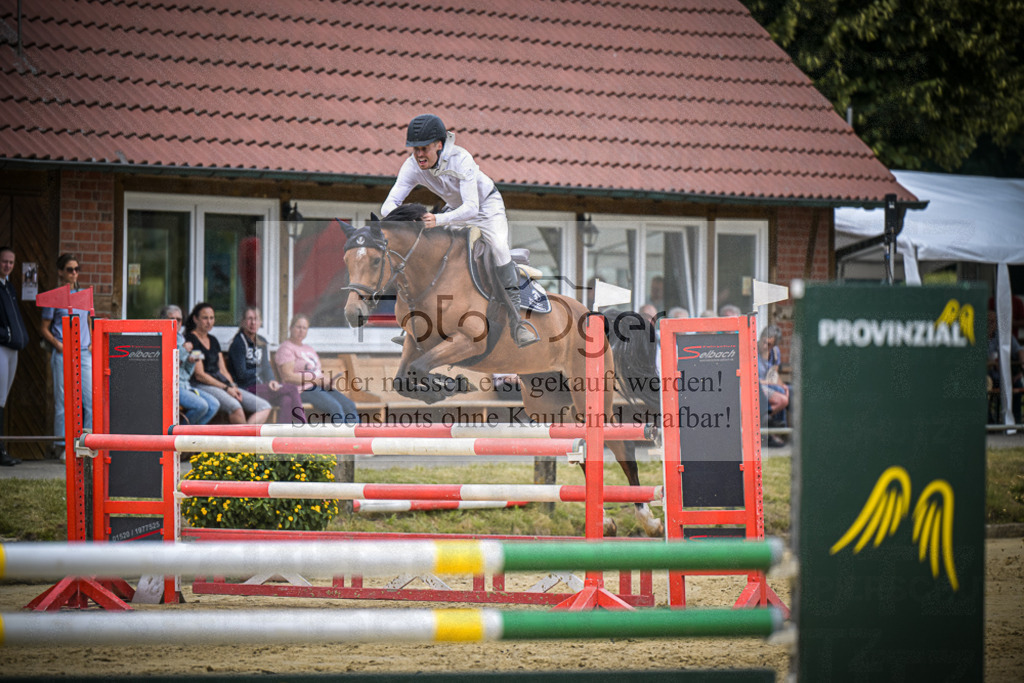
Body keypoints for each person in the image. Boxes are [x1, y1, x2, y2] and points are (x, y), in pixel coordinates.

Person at [380, 113, 538, 347]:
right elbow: (387, 206)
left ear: (439, 145)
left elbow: (472, 209)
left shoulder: (462, 159)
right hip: (455, 209)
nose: (419, 155)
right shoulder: (412, 166)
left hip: (486, 207)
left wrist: (439, 219)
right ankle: (416, 323)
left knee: (498, 248)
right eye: (415, 149)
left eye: (424, 149)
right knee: (430, 248)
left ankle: (518, 323)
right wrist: (406, 221)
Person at [39, 253, 92, 458]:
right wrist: (59, 346)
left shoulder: (85, 295)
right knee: (64, 401)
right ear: (61, 272)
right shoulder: (54, 296)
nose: (74, 273)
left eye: (77, 269)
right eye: (70, 269)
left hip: (85, 354)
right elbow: (44, 328)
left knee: (89, 399)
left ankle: (86, 443)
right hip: (63, 353)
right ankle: (63, 447)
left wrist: (91, 345)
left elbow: (88, 320)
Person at [183, 302, 271, 425]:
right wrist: (226, 388)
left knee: (264, 406)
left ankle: (248, 441)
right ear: (195, 319)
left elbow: (223, 370)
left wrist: (233, 386)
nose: (209, 322)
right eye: (205, 318)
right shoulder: (191, 340)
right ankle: (245, 443)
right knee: (236, 407)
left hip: (222, 384)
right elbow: (200, 375)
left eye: (212, 318)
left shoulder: (213, 340)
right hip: (202, 385)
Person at [228, 306, 306, 424]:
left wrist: (271, 380)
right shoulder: (238, 343)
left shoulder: (262, 342)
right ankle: (303, 427)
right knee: (292, 388)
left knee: (287, 400)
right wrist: (260, 371)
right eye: (249, 319)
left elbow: (266, 366)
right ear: (243, 321)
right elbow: (241, 374)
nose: (253, 323)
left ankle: (281, 438)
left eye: (256, 319)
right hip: (246, 389)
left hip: (262, 387)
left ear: (260, 322)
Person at [276, 314, 358, 425]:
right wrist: (315, 380)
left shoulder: (309, 349)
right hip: (301, 390)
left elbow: (317, 372)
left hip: (318, 387)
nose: (301, 331)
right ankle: (342, 440)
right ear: (291, 328)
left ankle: (360, 439)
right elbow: (288, 376)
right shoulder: (286, 348)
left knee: (349, 405)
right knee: (335, 407)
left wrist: (326, 381)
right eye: (298, 327)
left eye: (304, 328)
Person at [159, 305, 218, 426]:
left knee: (213, 405)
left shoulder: (181, 339)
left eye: (179, 320)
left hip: (184, 385)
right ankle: (178, 434)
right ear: (163, 320)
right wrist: (184, 352)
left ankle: (190, 436)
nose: (176, 323)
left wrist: (191, 363)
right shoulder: (159, 338)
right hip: (167, 386)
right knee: (201, 406)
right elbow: (167, 366)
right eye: (172, 319)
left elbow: (185, 373)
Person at [0, 246, 28, 466]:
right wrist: (6, 334)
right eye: (4, 261)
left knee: (3, 400)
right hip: (2, 347)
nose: (7, 265)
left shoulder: (9, 287)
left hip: (13, 349)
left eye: (11, 262)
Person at [987, 310, 1023, 424]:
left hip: (1005, 376)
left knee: (1018, 384)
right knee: (983, 386)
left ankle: (1016, 422)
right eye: (988, 321)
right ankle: (989, 421)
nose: (990, 324)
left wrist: (1021, 369)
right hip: (989, 376)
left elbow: (1020, 350)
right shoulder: (978, 337)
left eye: (993, 321)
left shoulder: (1003, 335)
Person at [758, 324, 789, 447]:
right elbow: (752, 378)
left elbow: (772, 375)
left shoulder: (775, 352)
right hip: (756, 385)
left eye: (770, 344)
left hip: (767, 384)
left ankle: (780, 432)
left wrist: (782, 385)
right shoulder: (752, 350)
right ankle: (769, 427)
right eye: (764, 342)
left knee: (789, 391)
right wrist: (773, 383)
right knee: (782, 399)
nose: (765, 346)